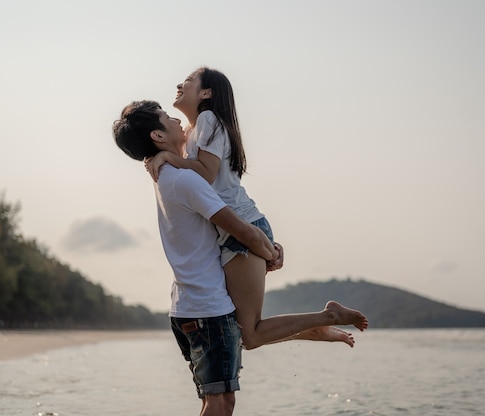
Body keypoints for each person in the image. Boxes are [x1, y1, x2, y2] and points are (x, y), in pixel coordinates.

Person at [113, 100, 367, 415]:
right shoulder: (185, 180)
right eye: (167, 118)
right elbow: (240, 229)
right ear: (158, 136)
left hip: (187, 307)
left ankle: (319, 326)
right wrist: (269, 251)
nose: (177, 120)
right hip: (207, 309)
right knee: (220, 402)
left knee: (220, 394)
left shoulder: (166, 175)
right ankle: (324, 321)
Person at [145, 67, 367, 350]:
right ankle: (316, 328)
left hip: (242, 228)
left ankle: (328, 316)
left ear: (206, 93)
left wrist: (166, 156)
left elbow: (206, 174)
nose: (180, 84)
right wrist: (158, 156)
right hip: (233, 230)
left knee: (249, 334)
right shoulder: (192, 131)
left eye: (188, 81)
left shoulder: (209, 119)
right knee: (241, 333)